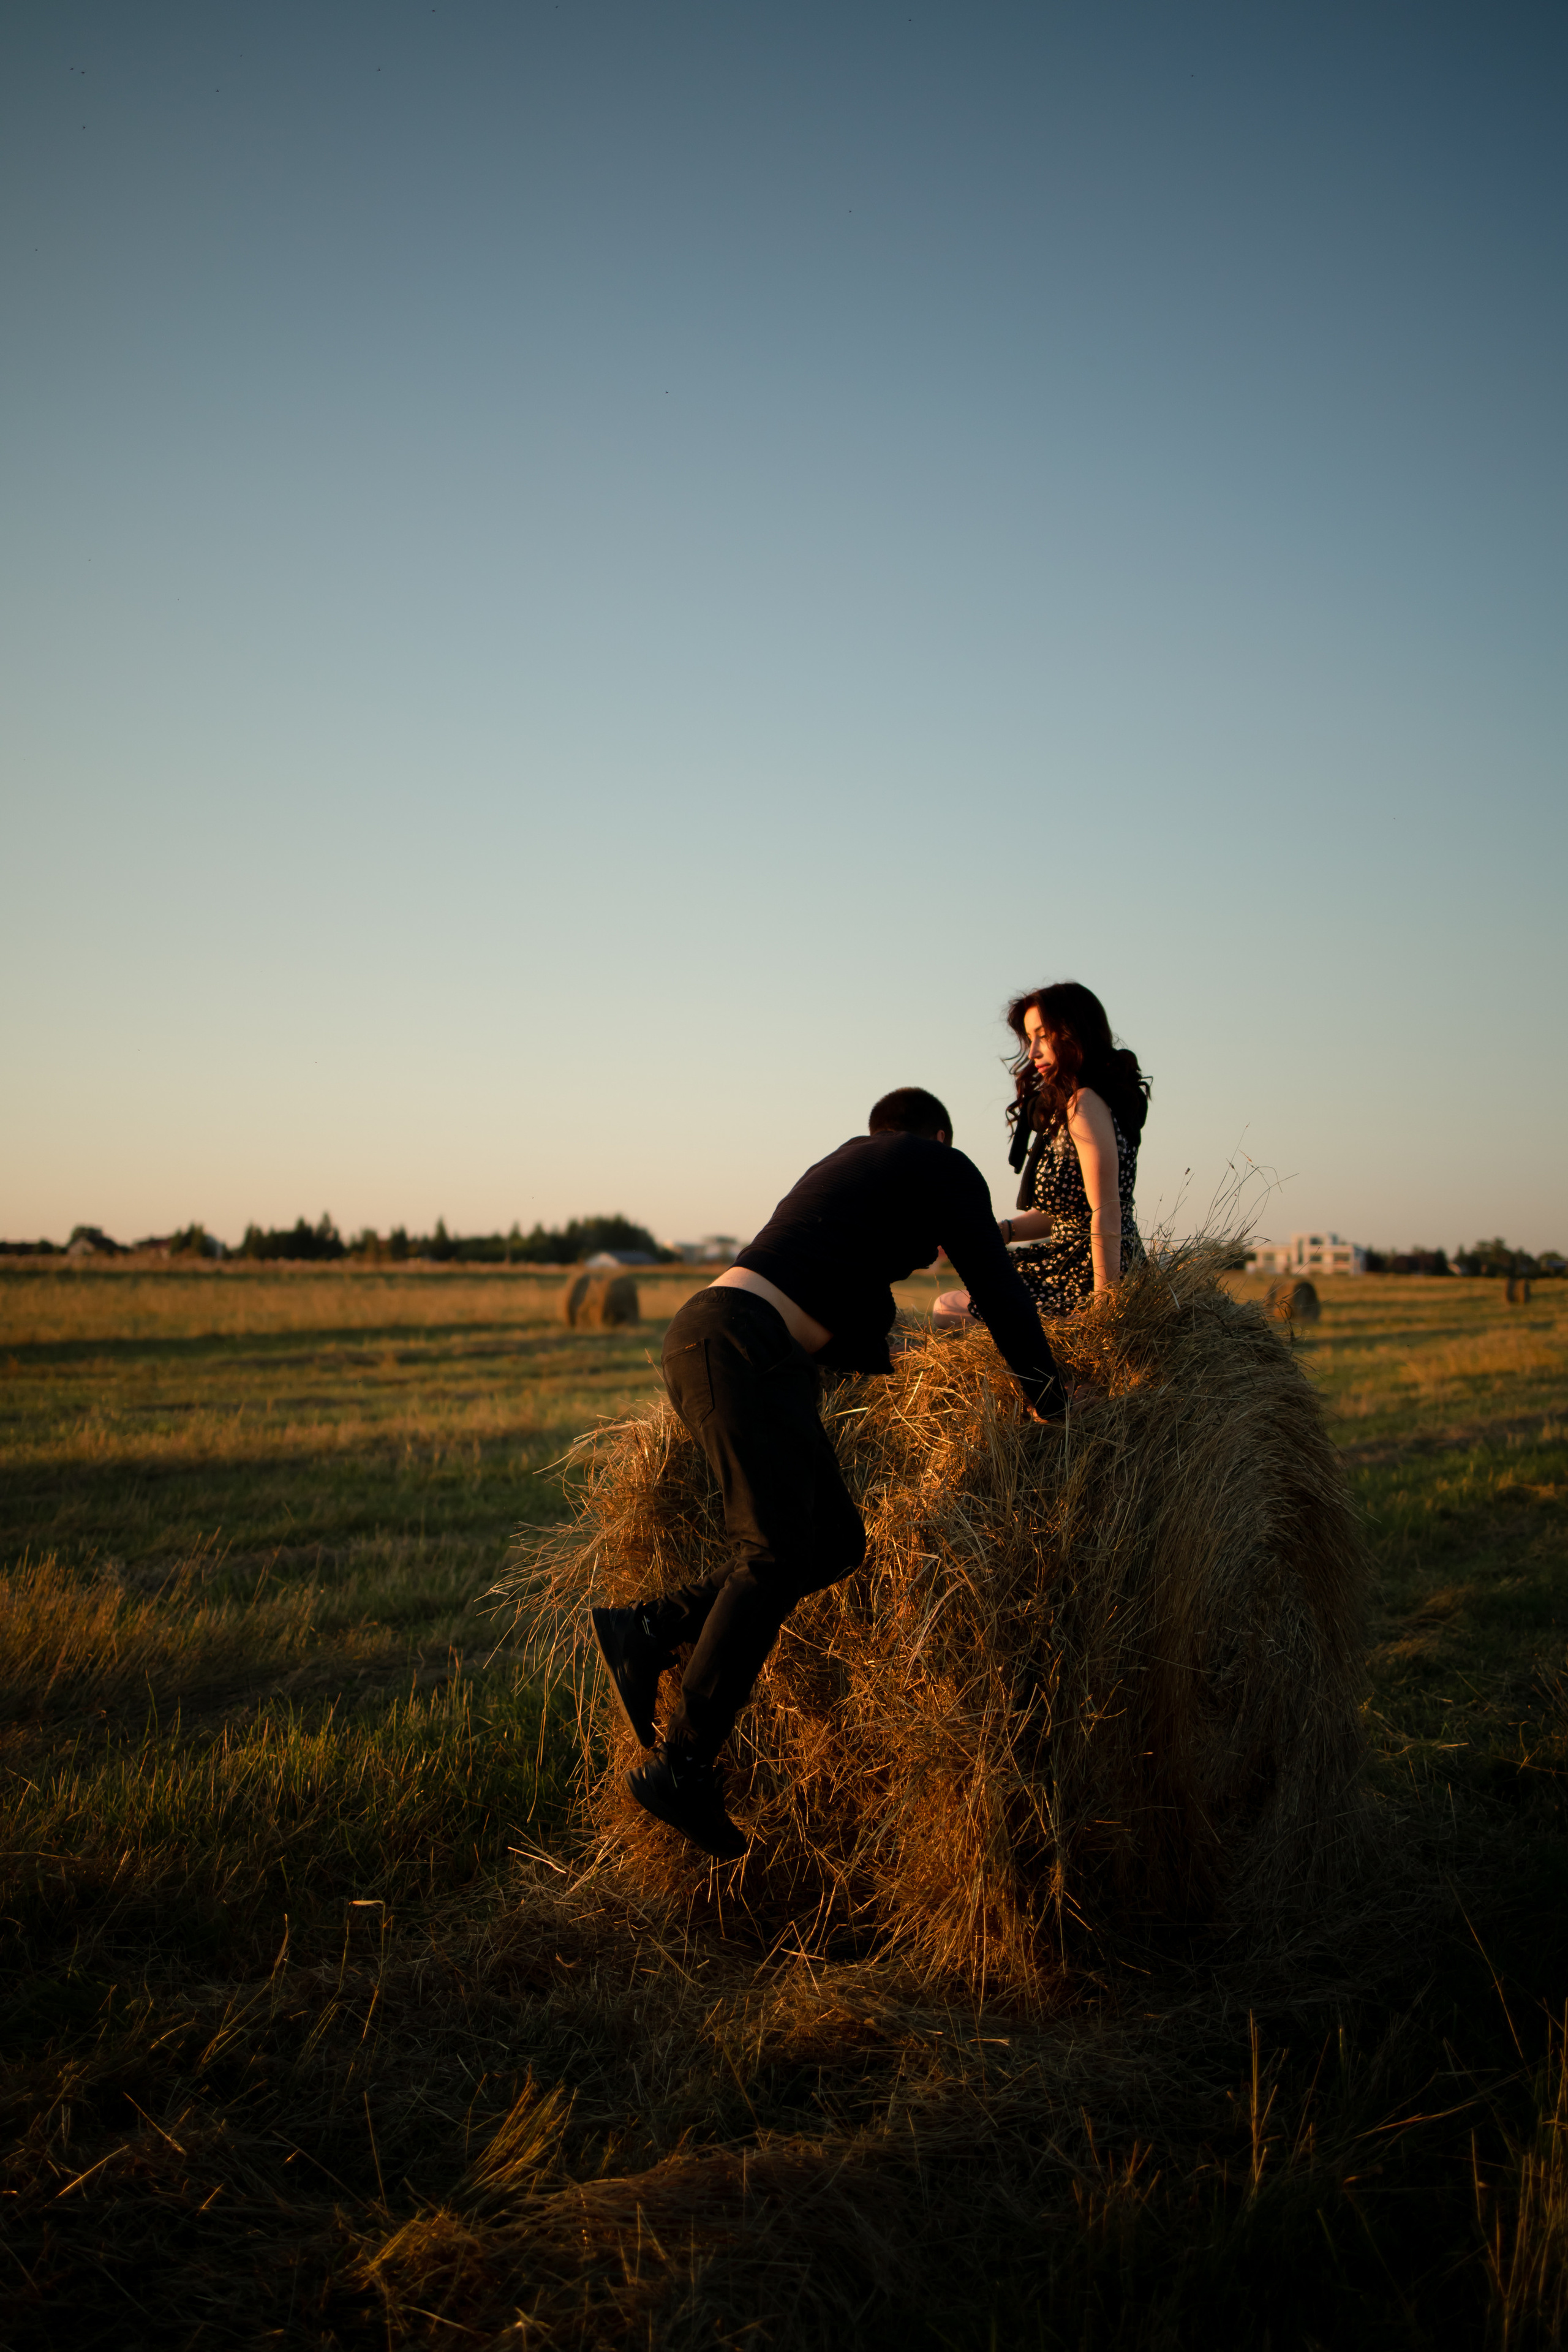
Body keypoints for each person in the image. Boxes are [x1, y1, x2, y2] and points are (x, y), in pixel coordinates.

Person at [589, 1086, 1067, 1862]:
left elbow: (882, 1345)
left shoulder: (844, 1197)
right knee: (772, 1553)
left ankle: (652, 1626)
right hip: (737, 1344)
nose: (924, 1258)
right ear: (935, 1137)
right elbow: (995, 1281)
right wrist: (1047, 1396)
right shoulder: (941, 1166)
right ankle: (683, 1765)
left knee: (837, 1543)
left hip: (741, 1350)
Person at [935, 981, 1150, 1330]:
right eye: (1028, 1039)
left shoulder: (1086, 1102)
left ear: (1073, 1032)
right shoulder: (1079, 1103)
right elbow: (1067, 1213)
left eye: (1042, 1035)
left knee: (947, 1309)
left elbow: (1106, 1212)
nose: (1032, 1052)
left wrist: (1105, 1309)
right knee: (957, 1302)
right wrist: (1000, 1231)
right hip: (1070, 1259)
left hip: (1089, 1270)